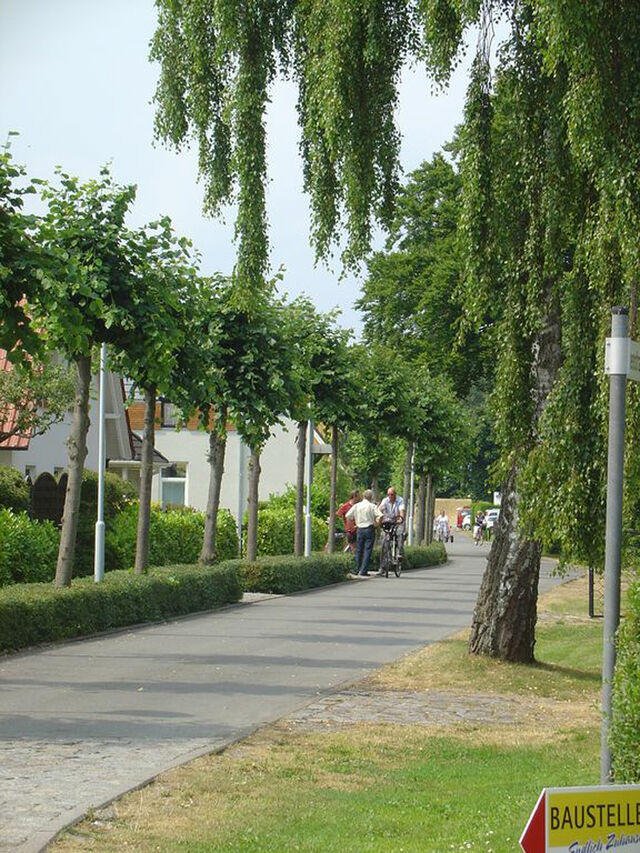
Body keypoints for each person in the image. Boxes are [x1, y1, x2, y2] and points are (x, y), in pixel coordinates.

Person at [345, 488, 380, 576]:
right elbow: (380, 515)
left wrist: (352, 524)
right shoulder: (372, 506)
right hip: (369, 529)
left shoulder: (357, 506)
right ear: (371, 497)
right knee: (367, 550)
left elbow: (348, 515)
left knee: (359, 549)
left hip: (359, 529)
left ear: (363, 496)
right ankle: (364, 570)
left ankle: (357, 569)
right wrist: (377, 524)